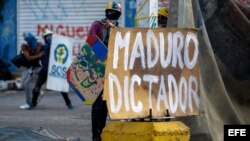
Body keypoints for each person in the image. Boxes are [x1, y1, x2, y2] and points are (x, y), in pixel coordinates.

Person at [87, 2, 122, 141]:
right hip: (98, 72)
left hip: (113, 73)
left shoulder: (118, 29)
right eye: (110, 12)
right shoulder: (97, 25)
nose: (112, 15)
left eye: (115, 13)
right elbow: (90, 43)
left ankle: (103, 134)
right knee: (97, 107)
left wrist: (114, 30)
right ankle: (96, 137)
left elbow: (123, 45)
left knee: (107, 106)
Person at [30, 29, 74, 110]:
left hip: (52, 69)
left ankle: (68, 103)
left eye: (50, 36)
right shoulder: (46, 47)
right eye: (48, 37)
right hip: (47, 70)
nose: (49, 38)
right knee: (37, 86)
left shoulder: (51, 46)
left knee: (59, 87)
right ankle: (33, 103)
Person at [19, 32, 44, 110]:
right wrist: (38, 55)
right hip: (27, 68)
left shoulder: (40, 45)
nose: (29, 42)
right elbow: (28, 58)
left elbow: (47, 51)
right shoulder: (24, 46)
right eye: (27, 40)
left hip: (36, 68)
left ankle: (29, 103)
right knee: (22, 85)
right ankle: (39, 92)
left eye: (30, 40)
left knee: (27, 85)